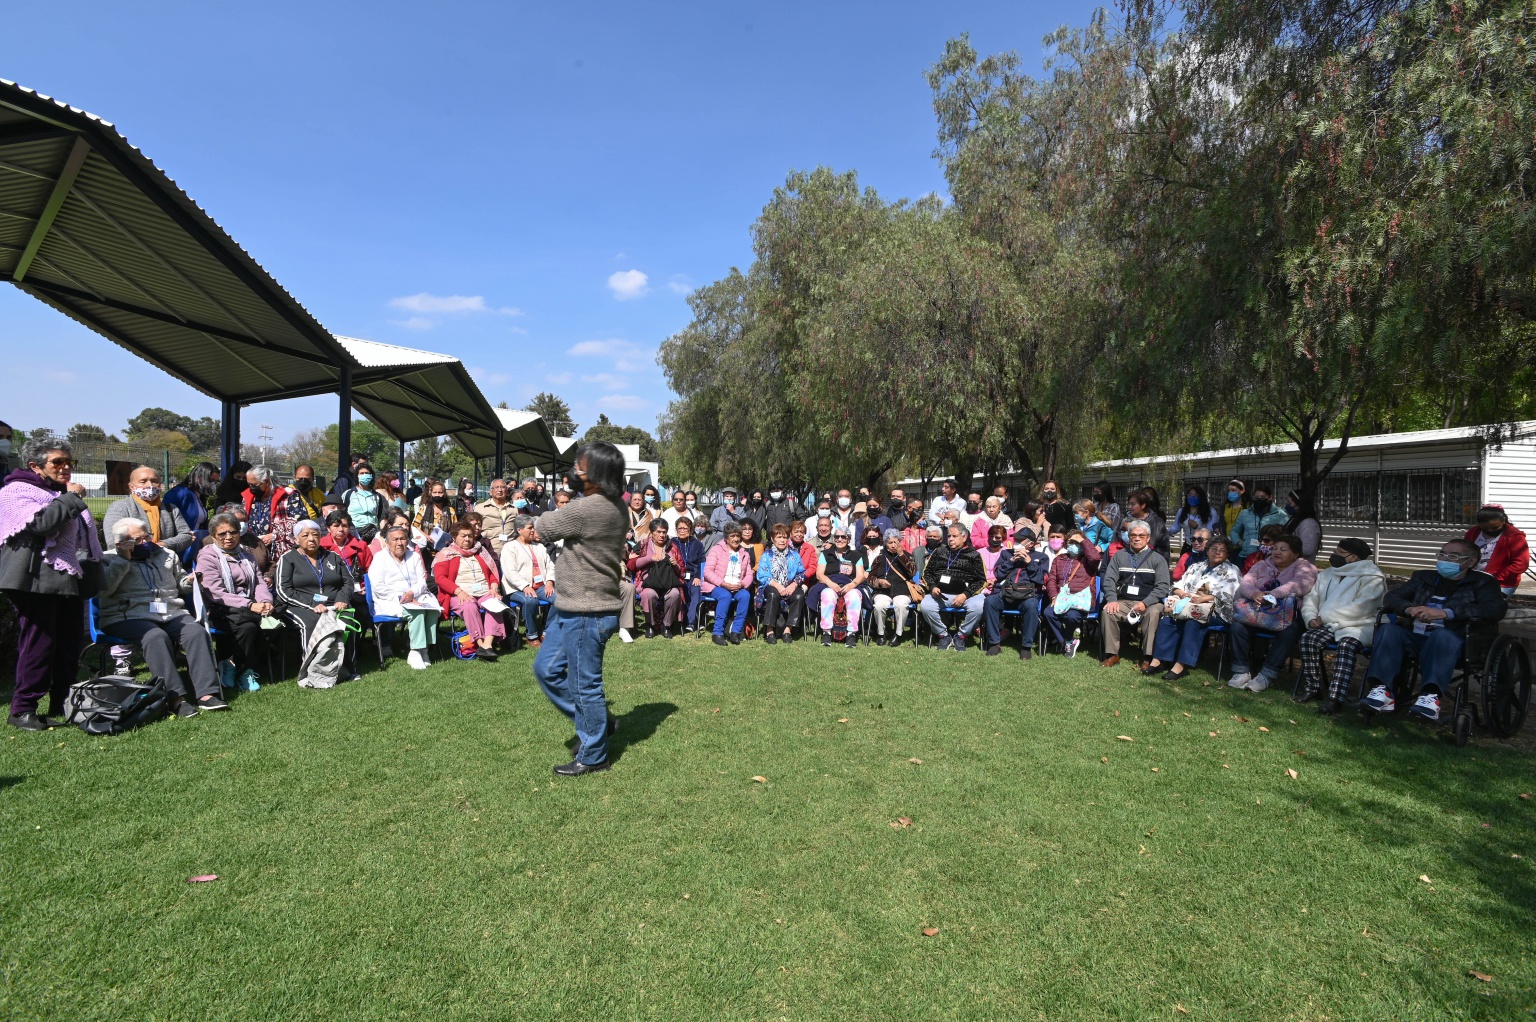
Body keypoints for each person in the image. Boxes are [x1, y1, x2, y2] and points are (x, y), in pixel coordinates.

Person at [529, 442, 629, 775]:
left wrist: (560, 502)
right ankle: (598, 725)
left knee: (585, 684)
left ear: (598, 475)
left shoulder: (588, 508)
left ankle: (593, 755)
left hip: (589, 610)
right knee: (546, 669)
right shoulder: (613, 504)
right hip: (570, 605)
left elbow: (543, 526)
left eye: (580, 468)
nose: (574, 472)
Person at [0, 438, 103, 729]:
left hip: (68, 577)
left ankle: (63, 701)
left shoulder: (57, 492)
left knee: (69, 644)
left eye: (70, 462)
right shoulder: (15, 491)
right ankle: (22, 710)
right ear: (34, 465)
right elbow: (41, 525)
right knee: (39, 644)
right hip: (33, 579)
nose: (67, 467)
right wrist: (71, 498)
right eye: (58, 462)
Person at [1359, 538, 1507, 721]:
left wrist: (1446, 613)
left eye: (1453, 556)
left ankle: (1431, 696)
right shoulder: (1423, 577)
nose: (1445, 559)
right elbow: (1392, 597)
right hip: (1416, 637)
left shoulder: (1483, 583)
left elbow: (1494, 609)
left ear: (1471, 561)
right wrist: (1409, 608)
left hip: (1457, 642)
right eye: (1442, 554)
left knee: (1441, 636)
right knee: (1389, 631)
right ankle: (1382, 691)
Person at [99, 518, 227, 716]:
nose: (144, 542)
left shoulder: (166, 554)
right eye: (137, 540)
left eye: (146, 537)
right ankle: (176, 698)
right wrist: (123, 559)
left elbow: (180, 583)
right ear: (120, 542)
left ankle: (206, 694)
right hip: (127, 615)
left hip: (170, 611)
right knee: (155, 637)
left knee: (196, 632)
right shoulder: (107, 558)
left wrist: (190, 581)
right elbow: (105, 591)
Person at [1294, 538, 1388, 713]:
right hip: (1329, 623)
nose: (1334, 555)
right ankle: (1313, 688)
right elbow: (1311, 598)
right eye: (1335, 551)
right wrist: (1311, 617)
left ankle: (1335, 697)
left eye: (1340, 553)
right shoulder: (1328, 573)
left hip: (1359, 624)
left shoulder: (1372, 576)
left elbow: (1363, 607)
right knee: (1308, 638)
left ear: (1353, 557)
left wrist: (1325, 617)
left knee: (1347, 644)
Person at [1226, 533, 1319, 693]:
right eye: (1275, 548)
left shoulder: (1305, 567)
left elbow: (1299, 585)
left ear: (1296, 553)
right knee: (1237, 627)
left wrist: (1273, 595)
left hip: (1288, 616)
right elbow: (1246, 582)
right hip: (1258, 612)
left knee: (1289, 633)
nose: (1277, 552)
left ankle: (1267, 674)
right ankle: (1241, 671)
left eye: (1283, 549)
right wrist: (1255, 594)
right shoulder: (1261, 565)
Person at [197, 512, 279, 692]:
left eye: (233, 532)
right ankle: (246, 668)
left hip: (248, 607)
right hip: (221, 607)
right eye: (222, 534)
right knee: (250, 624)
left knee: (273, 619)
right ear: (213, 536)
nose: (229, 537)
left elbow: (258, 581)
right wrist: (250, 605)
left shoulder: (247, 555)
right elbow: (215, 592)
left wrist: (265, 601)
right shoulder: (207, 556)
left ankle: (234, 665)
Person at [1145, 537, 1242, 680]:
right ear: (1207, 551)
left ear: (1227, 554)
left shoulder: (1231, 570)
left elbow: (1229, 594)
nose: (1217, 552)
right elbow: (1178, 585)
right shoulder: (1196, 567)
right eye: (1214, 549)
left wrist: (1204, 598)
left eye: (1222, 550)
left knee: (1193, 622)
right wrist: (1182, 593)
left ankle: (1181, 664)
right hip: (1188, 606)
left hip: (1216, 611)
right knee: (1169, 618)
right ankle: (1159, 660)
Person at [275, 520, 355, 667]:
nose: (311, 539)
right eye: (305, 535)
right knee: (312, 622)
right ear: (295, 539)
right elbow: (283, 590)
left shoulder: (332, 556)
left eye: (315, 535)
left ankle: (347, 668)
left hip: (334, 604)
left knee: (346, 622)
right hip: (300, 605)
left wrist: (342, 599)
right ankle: (312, 669)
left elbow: (348, 581)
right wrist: (312, 604)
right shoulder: (287, 559)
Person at [367, 522, 440, 670]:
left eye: (403, 539)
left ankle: (424, 649)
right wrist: (403, 597)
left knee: (433, 610)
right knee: (417, 612)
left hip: (416, 596)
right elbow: (378, 586)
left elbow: (422, 581)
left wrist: (412, 593)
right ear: (387, 542)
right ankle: (414, 652)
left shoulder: (414, 556)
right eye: (395, 539)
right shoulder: (380, 558)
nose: (399, 543)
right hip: (389, 600)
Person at [1099, 520, 1172, 669]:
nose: (1137, 538)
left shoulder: (1158, 559)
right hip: (1124, 601)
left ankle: (1147, 657)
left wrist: (1146, 602)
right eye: (1133, 535)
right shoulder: (1119, 556)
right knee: (1108, 611)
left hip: (1149, 603)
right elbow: (1109, 580)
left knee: (1154, 613)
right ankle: (1112, 654)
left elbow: (1163, 586)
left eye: (1141, 535)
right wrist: (1112, 599)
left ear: (1148, 537)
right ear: (1129, 536)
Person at [434, 521, 509, 660]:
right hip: (459, 593)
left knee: (495, 604)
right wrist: (458, 591)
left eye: (470, 536)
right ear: (454, 536)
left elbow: (492, 572)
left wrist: (494, 586)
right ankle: (479, 643)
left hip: (484, 592)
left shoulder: (480, 551)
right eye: (463, 536)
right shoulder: (446, 554)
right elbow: (440, 578)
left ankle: (488, 644)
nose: (467, 539)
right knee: (469, 606)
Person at [919, 523, 987, 651]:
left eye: (954, 536)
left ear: (964, 537)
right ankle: (943, 635)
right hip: (941, 595)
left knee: (979, 606)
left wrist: (965, 594)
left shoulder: (974, 555)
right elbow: (927, 573)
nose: (950, 539)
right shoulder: (939, 551)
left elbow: (982, 580)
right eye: (949, 536)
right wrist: (932, 587)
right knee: (926, 605)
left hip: (966, 596)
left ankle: (961, 635)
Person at [104, 464, 195, 556]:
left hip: (165, 564)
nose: (150, 485)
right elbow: (113, 540)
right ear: (131, 487)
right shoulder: (120, 507)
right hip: (131, 565)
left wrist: (162, 545)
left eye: (154, 481)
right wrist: (144, 548)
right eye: (143, 482)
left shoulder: (171, 508)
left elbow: (187, 536)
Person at [984, 530, 1047, 659]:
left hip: (1027, 596)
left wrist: (1029, 562)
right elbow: (998, 574)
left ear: (1030, 544)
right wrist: (1011, 561)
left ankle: (1026, 647)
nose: (1015, 543)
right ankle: (994, 643)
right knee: (990, 602)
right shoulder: (1006, 554)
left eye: (1019, 540)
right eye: (1015, 540)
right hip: (1006, 594)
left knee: (1032, 605)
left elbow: (1041, 579)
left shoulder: (1041, 557)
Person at [500, 514, 555, 647]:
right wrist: (524, 586)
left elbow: (550, 566)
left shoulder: (539, 547)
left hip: (540, 586)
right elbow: (510, 572)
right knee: (530, 600)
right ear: (519, 530)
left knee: (560, 600)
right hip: (516, 588)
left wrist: (549, 582)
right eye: (530, 528)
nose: (533, 531)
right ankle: (532, 635)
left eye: (534, 528)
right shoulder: (510, 547)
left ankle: (546, 633)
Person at [1044, 529, 1099, 657]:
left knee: (1071, 616)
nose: (1074, 545)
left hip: (1081, 599)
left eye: (1077, 542)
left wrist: (1083, 541)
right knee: (1048, 613)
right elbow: (1052, 580)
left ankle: (1065, 641)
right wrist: (1053, 596)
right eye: (1071, 542)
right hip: (1062, 598)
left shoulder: (1089, 560)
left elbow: (1096, 557)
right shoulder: (1059, 559)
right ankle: (1068, 641)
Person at [629, 519, 686, 638]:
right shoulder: (643, 545)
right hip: (648, 582)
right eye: (658, 532)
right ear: (651, 532)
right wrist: (649, 558)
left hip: (668, 582)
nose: (662, 535)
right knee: (648, 594)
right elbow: (631, 565)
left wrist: (675, 564)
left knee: (675, 594)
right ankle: (650, 624)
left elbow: (681, 571)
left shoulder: (672, 547)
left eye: (664, 532)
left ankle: (667, 625)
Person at [244, 465, 311, 563]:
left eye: (254, 485)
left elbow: (301, 524)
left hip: (280, 551)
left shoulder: (289, 495)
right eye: (249, 485)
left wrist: (275, 535)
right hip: (253, 550)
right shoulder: (249, 497)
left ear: (267, 482)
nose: (251, 488)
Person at [705, 521, 755, 645]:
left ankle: (735, 632)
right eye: (732, 536)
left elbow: (749, 574)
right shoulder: (716, 550)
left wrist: (742, 584)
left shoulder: (744, 553)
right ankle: (718, 633)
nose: (736, 539)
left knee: (745, 595)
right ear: (726, 538)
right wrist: (722, 583)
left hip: (737, 586)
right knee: (725, 596)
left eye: (738, 536)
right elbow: (707, 571)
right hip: (718, 586)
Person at [814, 527, 865, 647]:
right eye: (837, 537)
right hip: (830, 584)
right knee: (827, 595)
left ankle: (851, 633)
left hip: (850, 585)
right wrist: (830, 584)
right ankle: (826, 632)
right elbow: (819, 574)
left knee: (854, 597)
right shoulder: (826, 554)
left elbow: (861, 575)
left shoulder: (856, 555)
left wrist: (851, 585)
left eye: (843, 537)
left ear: (848, 539)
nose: (840, 539)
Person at [756, 523, 805, 644]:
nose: (782, 540)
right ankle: (769, 630)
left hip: (790, 585)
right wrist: (778, 586)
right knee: (773, 594)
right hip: (771, 586)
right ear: (773, 539)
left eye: (784, 537)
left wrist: (793, 585)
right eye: (779, 537)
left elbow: (801, 573)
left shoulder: (794, 554)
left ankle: (788, 630)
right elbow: (762, 576)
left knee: (799, 595)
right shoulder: (766, 555)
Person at [1464, 504, 1529, 595]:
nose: (1490, 530)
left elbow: (1520, 564)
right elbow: (1464, 552)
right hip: (1473, 578)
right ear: (1479, 524)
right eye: (1485, 528)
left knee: (1488, 605)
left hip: (1502, 583)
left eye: (1495, 527)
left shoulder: (1514, 537)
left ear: (1504, 521)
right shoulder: (1473, 532)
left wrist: (1493, 577)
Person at [868, 529, 917, 646]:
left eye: (896, 542)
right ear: (885, 543)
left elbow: (913, 572)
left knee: (901, 604)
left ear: (900, 542)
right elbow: (870, 578)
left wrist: (902, 556)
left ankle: (898, 634)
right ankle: (881, 633)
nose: (894, 545)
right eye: (891, 543)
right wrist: (879, 582)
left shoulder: (907, 556)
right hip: (883, 591)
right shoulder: (880, 558)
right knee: (879, 605)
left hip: (902, 591)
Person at [1227, 484, 1287, 559]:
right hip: (1246, 556)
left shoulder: (1279, 514)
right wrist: (1241, 543)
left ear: (1270, 497)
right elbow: (1234, 531)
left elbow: (1286, 535)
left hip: (1269, 556)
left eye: (1262, 497)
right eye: (1257, 497)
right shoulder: (1245, 513)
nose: (1259, 499)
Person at [164, 461, 220, 535]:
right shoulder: (179, 493)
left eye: (215, 482)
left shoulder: (200, 496)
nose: (213, 484)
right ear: (197, 477)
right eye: (210, 480)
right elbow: (166, 518)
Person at [672, 516, 706, 633]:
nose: (682, 530)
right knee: (682, 591)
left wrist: (697, 576)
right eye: (679, 528)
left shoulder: (697, 544)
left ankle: (690, 622)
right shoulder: (672, 543)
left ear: (690, 529)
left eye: (685, 528)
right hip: (677, 574)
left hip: (693, 575)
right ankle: (693, 621)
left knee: (696, 590)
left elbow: (701, 562)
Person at [340, 461, 386, 542]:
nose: (365, 475)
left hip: (372, 534)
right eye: (362, 473)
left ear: (371, 476)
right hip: (353, 534)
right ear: (357, 476)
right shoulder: (349, 494)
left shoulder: (377, 496)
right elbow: (341, 513)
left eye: (367, 473)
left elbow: (379, 516)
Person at [1121, 489, 1171, 563]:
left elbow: (1164, 548)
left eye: (1133, 504)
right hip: (1126, 562)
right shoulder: (1125, 520)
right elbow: (1115, 540)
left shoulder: (1157, 522)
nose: (1129, 507)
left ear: (1143, 505)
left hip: (1151, 564)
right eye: (1129, 504)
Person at [476, 479, 520, 558]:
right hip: (488, 551)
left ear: (506, 492)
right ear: (490, 491)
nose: (500, 490)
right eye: (496, 487)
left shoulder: (513, 509)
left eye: (502, 487)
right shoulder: (480, 508)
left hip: (510, 552)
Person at [412, 478, 458, 554]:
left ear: (444, 494)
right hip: (426, 550)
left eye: (440, 492)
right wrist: (426, 536)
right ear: (431, 493)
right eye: (435, 492)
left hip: (444, 551)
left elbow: (455, 529)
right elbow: (415, 525)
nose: (437, 495)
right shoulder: (424, 508)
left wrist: (449, 539)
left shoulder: (450, 511)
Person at [1282, 489, 1322, 560]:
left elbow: (1307, 550)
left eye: (1289, 503)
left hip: (1300, 567)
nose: (1287, 506)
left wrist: (1283, 548)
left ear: (1300, 503)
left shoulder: (1309, 523)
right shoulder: (1294, 519)